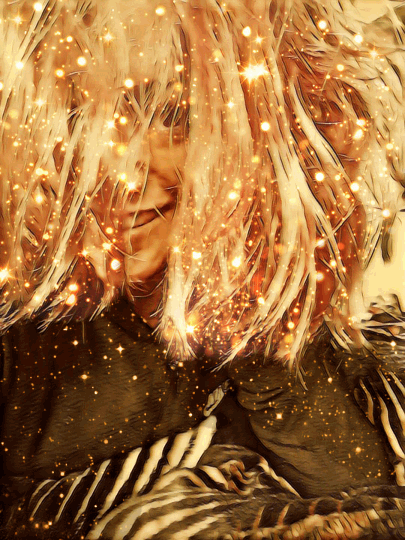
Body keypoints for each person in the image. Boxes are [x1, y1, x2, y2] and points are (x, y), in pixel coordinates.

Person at [1, 0, 405, 538]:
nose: (123, 172)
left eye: (168, 116)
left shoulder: (257, 308)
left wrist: (250, 329)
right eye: (79, 117)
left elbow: (361, 493)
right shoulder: (22, 331)